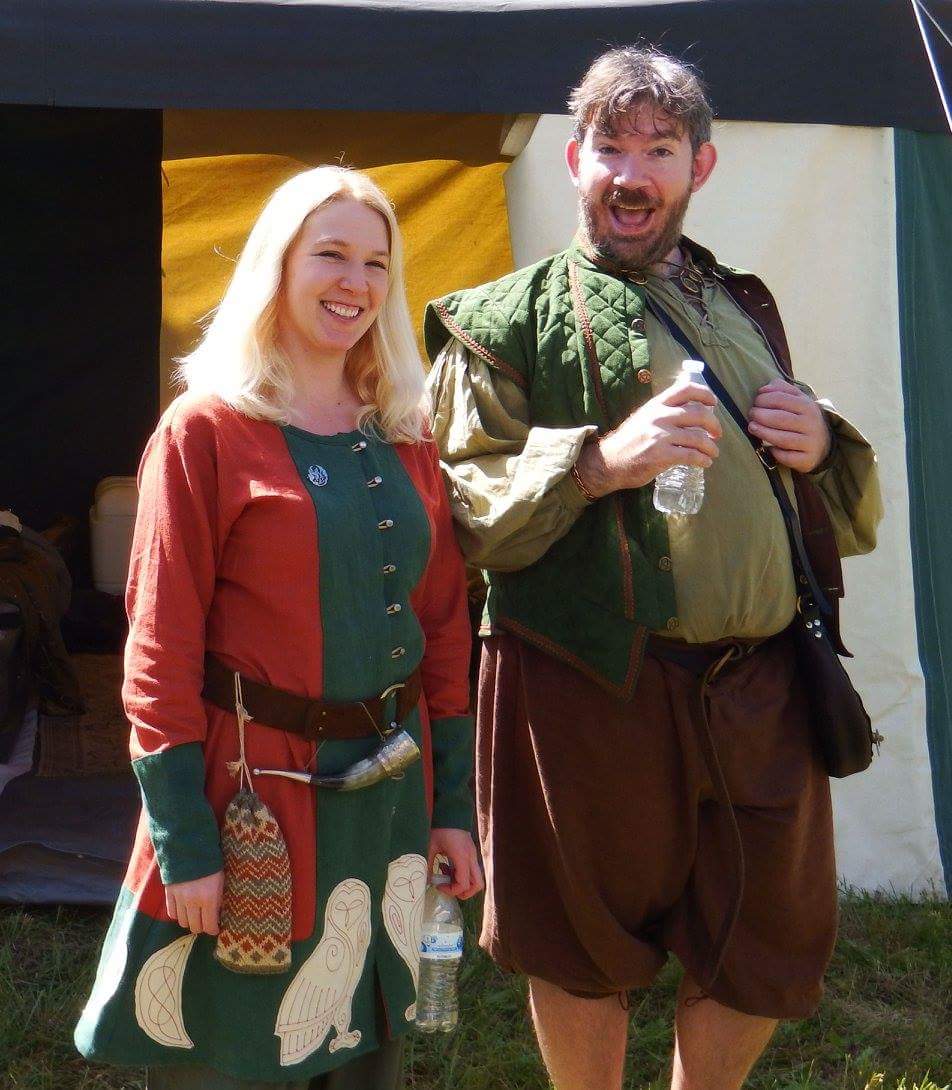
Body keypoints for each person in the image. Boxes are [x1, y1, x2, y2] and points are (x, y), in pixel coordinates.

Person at [424, 46, 882, 1090]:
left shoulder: (743, 306)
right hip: (585, 678)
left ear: (699, 167)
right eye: (611, 148)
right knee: (579, 939)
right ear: (574, 159)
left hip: (760, 683)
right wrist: (597, 463)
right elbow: (463, 509)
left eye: (660, 150)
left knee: (765, 936)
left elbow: (831, 505)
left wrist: (819, 442)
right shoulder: (499, 322)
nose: (632, 174)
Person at [75, 166, 482, 1090]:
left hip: (390, 798)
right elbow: (157, 655)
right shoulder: (206, 431)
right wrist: (185, 842)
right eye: (330, 254)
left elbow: (446, 633)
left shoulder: (405, 432)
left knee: (365, 1047)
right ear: (277, 266)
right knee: (235, 1052)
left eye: (376, 263)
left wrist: (453, 809)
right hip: (252, 798)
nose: (355, 283)